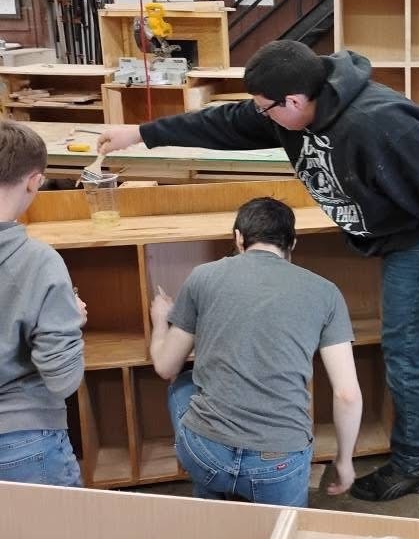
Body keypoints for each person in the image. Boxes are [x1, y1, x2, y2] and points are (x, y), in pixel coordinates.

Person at [100, 41, 419, 502]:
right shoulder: (289, 108)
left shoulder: (379, 121)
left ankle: (418, 463)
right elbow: (225, 122)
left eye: (266, 108)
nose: (260, 115)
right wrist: (141, 133)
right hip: (405, 233)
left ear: (295, 101)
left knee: (406, 353)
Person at [149, 196, 362, 507]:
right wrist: (344, 462)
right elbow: (347, 395)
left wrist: (160, 322)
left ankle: (211, 500)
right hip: (279, 463)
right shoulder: (326, 293)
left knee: (182, 383)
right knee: (285, 532)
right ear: (292, 244)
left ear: (238, 238)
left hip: (206, 453)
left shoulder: (202, 277)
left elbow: (165, 366)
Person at [0, 120, 87, 487]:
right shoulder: (38, 261)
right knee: (56, 527)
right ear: (34, 181)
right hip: (20, 437)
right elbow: (63, 379)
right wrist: (69, 317)